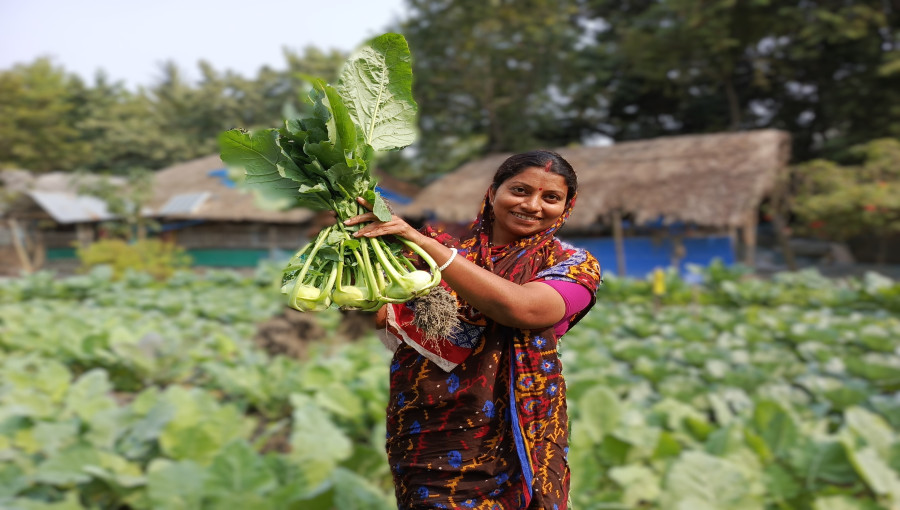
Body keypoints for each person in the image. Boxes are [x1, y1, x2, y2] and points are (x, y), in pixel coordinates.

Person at [344, 150, 602, 510]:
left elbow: (522, 308)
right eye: (520, 190)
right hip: (429, 426)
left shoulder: (573, 265)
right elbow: (379, 312)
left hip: (516, 436)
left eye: (551, 197)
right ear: (493, 191)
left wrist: (427, 247)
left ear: (566, 206)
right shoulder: (437, 247)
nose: (532, 205)